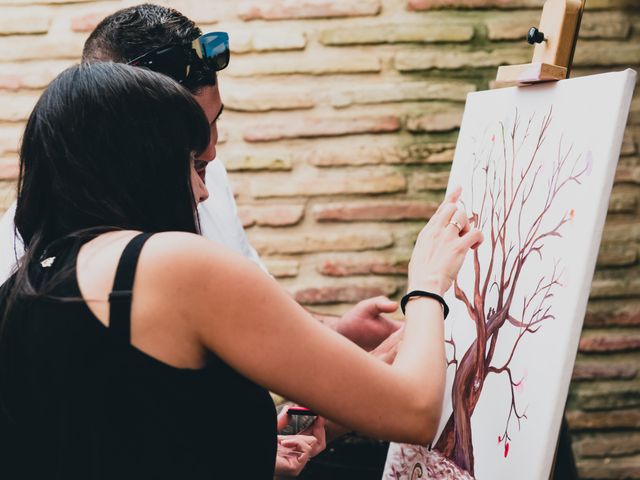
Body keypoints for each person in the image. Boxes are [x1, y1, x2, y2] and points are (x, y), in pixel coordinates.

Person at [0, 61, 482, 478]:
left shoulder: (22, 289)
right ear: (140, 166)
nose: (202, 191)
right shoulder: (173, 263)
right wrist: (426, 286)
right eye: (191, 164)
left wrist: (240, 452)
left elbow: (123, 444)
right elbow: (414, 410)